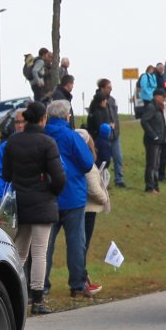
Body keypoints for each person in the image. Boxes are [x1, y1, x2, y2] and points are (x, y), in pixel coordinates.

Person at [1, 101, 64, 315]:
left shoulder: (13, 142)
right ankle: (37, 299)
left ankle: (15, 296)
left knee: (20, 252)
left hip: (20, 202)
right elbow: (59, 177)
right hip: (43, 202)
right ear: (43, 119)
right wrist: (51, 190)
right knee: (39, 252)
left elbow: (7, 174)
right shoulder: (47, 143)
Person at [43, 99, 99, 298]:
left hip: (47, 196)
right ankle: (77, 284)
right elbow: (87, 163)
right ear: (67, 116)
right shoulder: (72, 136)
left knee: (45, 245)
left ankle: (40, 285)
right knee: (76, 242)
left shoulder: (42, 135)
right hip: (73, 195)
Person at [76, 128, 111, 258]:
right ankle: (81, 269)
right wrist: (104, 199)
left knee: (80, 243)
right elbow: (93, 189)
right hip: (88, 208)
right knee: (83, 244)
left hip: (80, 207)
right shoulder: (87, 163)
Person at [141, 88, 166, 193]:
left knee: (156, 164)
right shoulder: (151, 107)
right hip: (152, 141)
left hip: (159, 141)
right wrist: (153, 135)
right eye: (163, 97)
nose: (164, 99)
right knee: (152, 164)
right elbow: (144, 121)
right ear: (156, 96)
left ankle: (155, 186)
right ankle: (150, 186)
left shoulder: (159, 107)